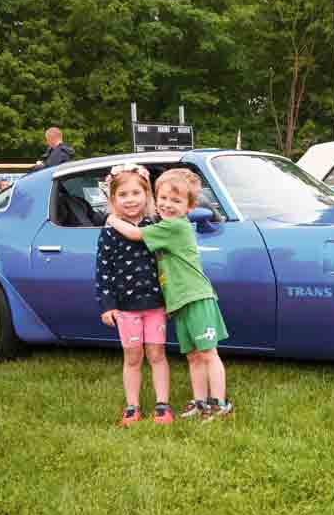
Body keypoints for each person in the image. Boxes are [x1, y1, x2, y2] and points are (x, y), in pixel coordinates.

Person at [106, 168, 233, 421]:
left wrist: (111, 218)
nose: (168, 204)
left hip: (196, 297)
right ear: (155, 198)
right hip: (180, 302)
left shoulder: (174, 227)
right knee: (193, 356)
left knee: (209, 353)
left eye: (176, 201)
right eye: (162, 198)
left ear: (189, 206)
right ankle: (200, 402)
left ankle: (219, 404)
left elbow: (134, 233)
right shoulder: (164, 225)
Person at [96, 162, 172, 426]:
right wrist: (107, 304)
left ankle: (163, 404)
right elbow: (103, 269)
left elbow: (168, 265)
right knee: (132, 357)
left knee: (157, 354)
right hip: (126, 307)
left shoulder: (155, 224)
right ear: (113, 198)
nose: (130, 200)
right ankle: (132, 406)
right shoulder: (108, 232)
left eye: (136, 193)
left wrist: (172, 300)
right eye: (123, 195)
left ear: (147, 195)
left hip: (155, 305)